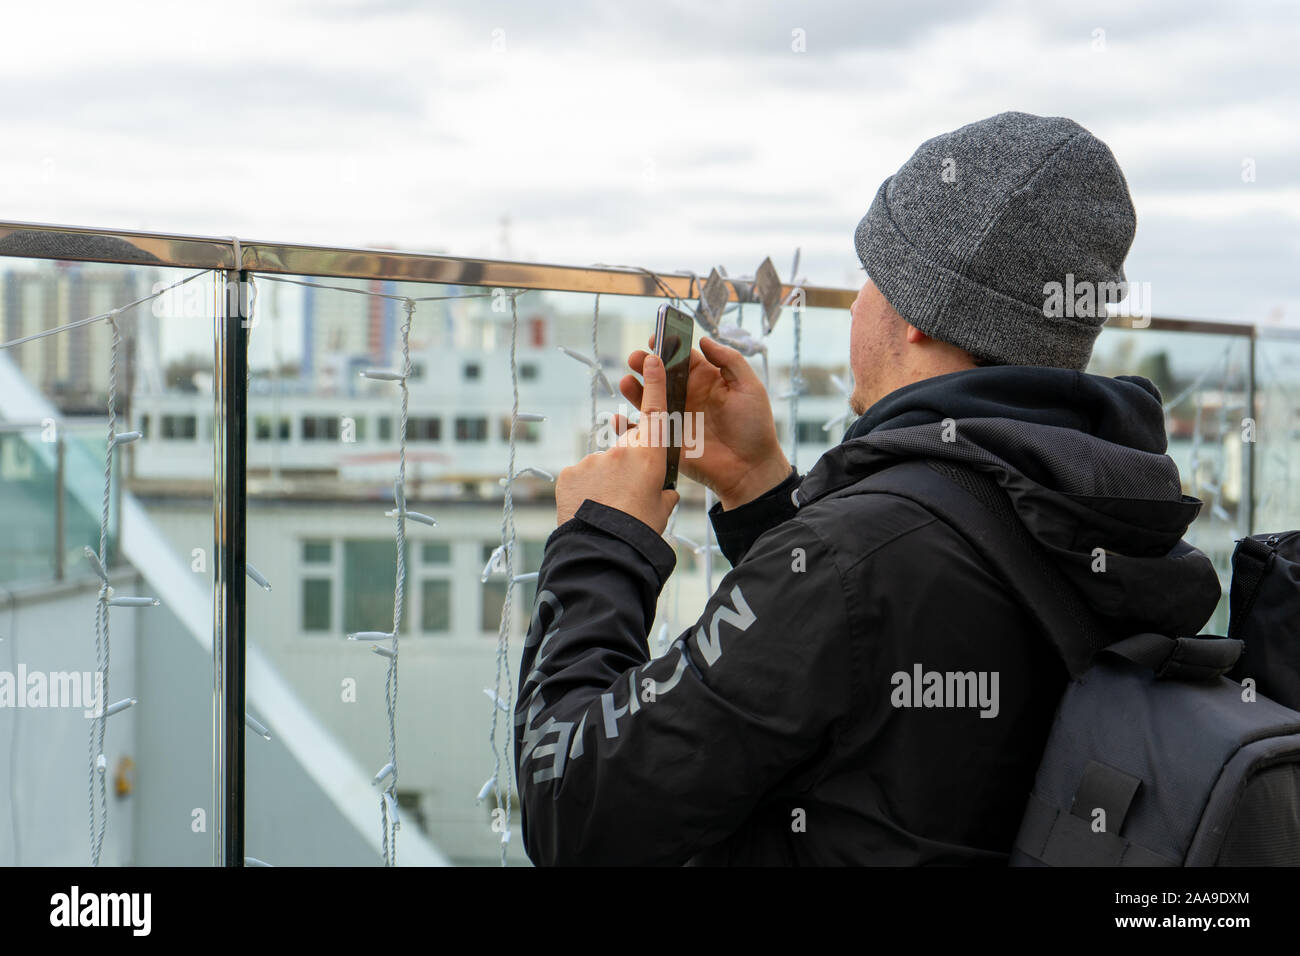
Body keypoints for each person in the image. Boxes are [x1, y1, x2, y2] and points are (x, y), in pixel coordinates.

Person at [512, 111, 1222, 865]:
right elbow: (871, 704)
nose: (855, 304)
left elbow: (576, 806)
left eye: (869, 278)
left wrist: (601, 541)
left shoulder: (858, 558)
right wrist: (760, 489)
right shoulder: (1100, 508)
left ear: (919, 312)